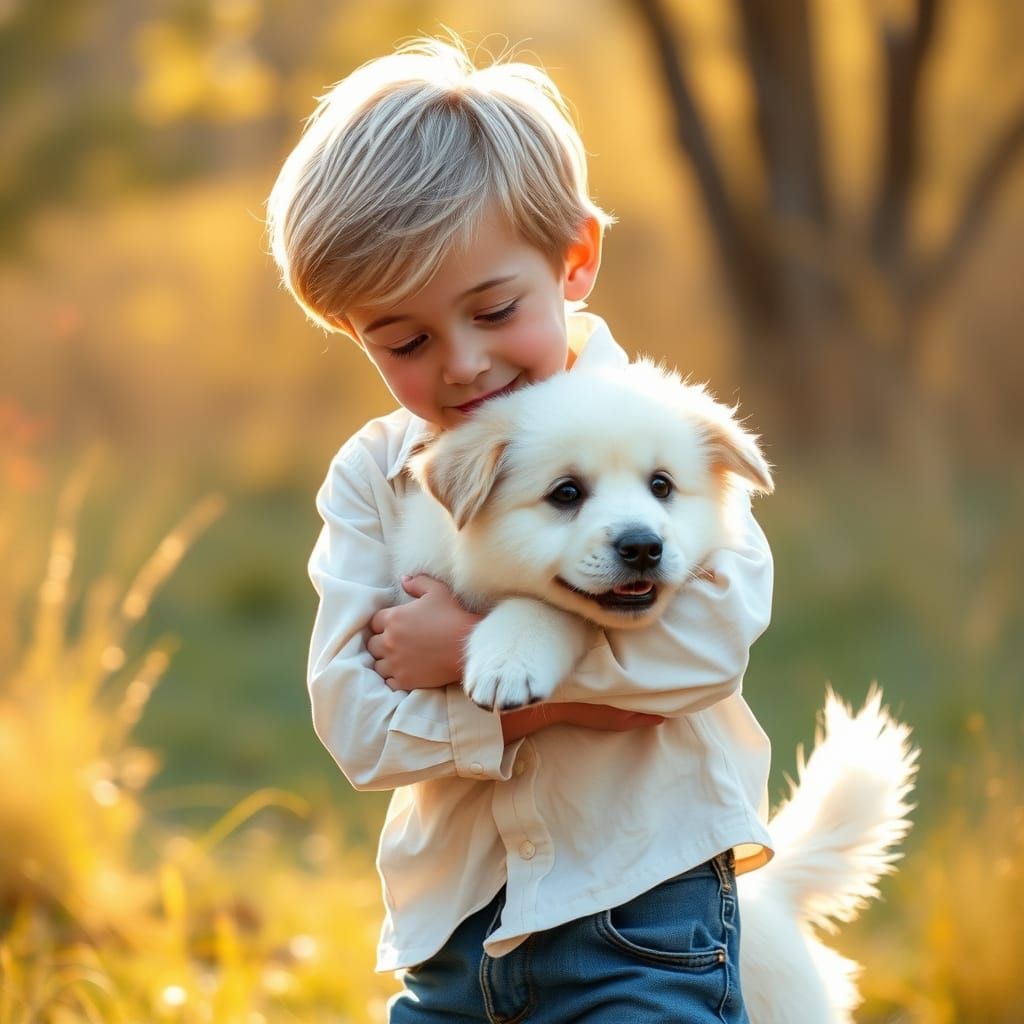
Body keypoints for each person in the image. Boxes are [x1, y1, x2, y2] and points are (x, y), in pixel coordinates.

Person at [267, 34, 774, 1023]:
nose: (460, 366)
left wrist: (470, 660)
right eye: (404, 340)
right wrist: (596, 691)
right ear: (352, 332)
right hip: (454, 934)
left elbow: (706, 646)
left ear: (575, 259)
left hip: (644, 915)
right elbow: (360, 728)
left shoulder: (660, 435)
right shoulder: (376, 475)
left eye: (495, 310)